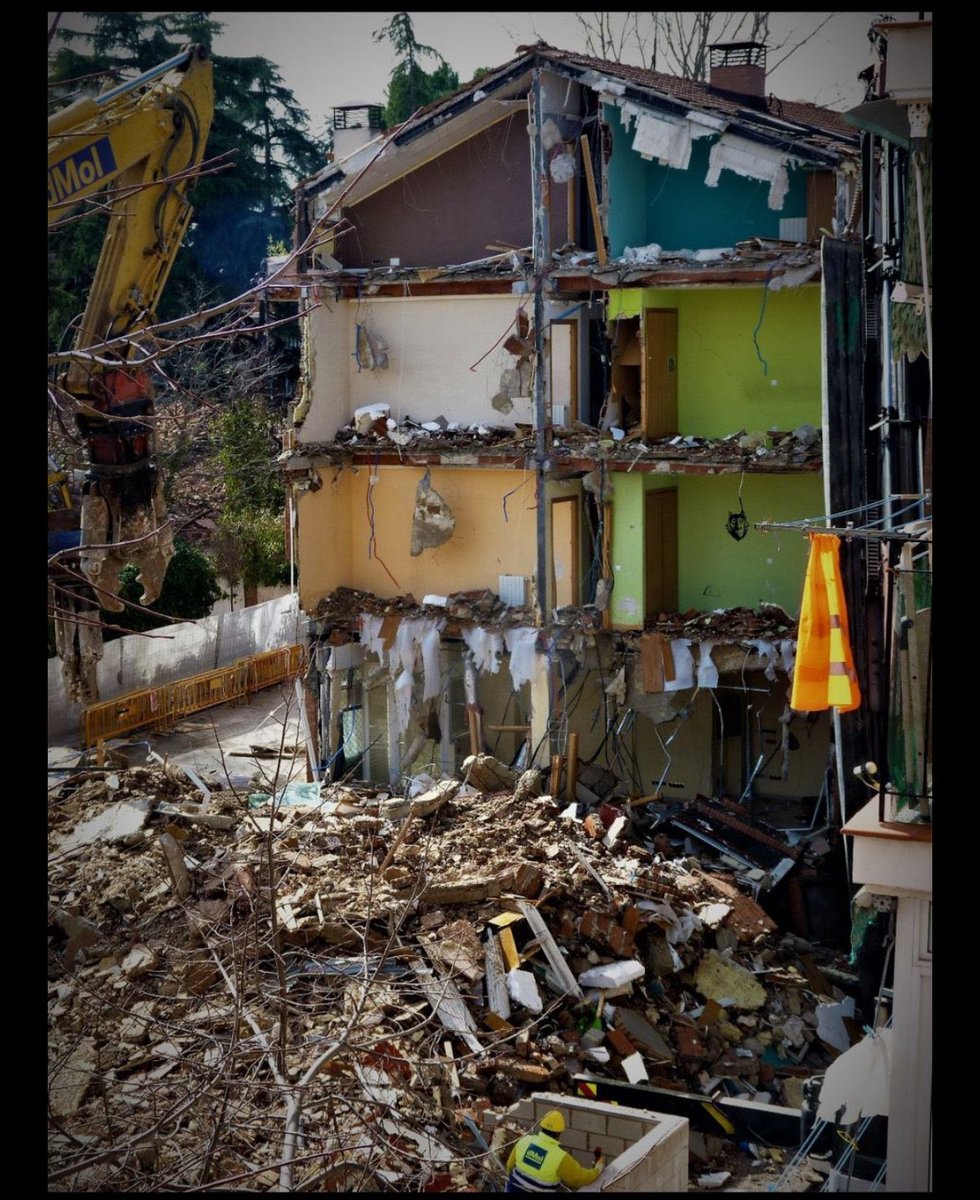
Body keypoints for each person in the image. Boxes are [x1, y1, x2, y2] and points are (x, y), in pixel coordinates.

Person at [505, 1109, 605, 1193]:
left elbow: (509, 1166)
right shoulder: (561, 1157)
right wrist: (597, 1170)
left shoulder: (525, 1140)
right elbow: (579, 1179)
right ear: (559, 1133)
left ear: (542, 1126)